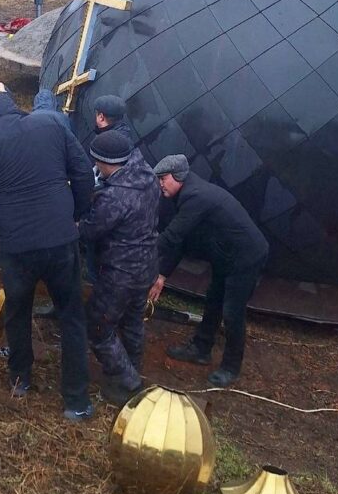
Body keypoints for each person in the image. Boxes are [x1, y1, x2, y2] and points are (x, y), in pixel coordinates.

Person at [0, 89, 96, 422]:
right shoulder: (51, 126)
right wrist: (75, 213)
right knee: (72, 317)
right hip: (61, 240)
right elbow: (82, 174)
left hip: (17, 248)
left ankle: (21, 379)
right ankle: (76, 401)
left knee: (17, 312)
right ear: (14, 108)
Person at [148, 155, 268, 388]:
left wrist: (139, 253)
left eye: (163, 178)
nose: (160, 183)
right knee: (213, 300)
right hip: (226, 255)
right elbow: (181, 240)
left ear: (178, 176)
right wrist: (162, 275)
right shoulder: (186, 194)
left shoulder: (196, 197)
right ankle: (201, 349)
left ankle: (230, 367)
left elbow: (172, 236)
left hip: (246, 257)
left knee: (232, 312)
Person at [80, 131, 159, 405]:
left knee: (98, 326)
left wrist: (74, 223)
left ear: (104, 162)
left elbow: (90, 231)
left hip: (120, 272)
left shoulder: (115, 197)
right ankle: (130, 373)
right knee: (132, 322)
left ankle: (130, 382)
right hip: (146, 264)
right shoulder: (147, 176)